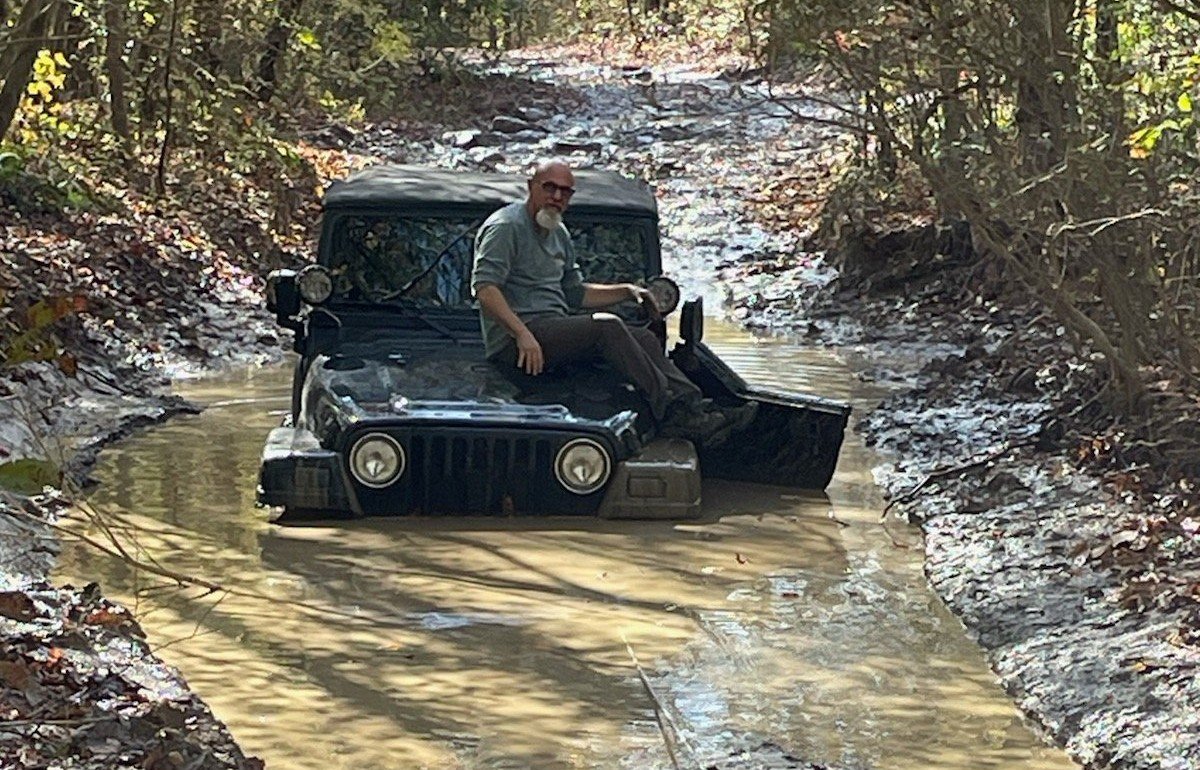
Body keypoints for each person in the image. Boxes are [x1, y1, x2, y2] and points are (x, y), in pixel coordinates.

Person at [470, 160, 756, 445]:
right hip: (515, 340)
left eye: (565, 191)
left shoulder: (558, 233)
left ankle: (693, 407)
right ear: (531, 187)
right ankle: (670, 411)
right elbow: (485, 289)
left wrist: (628, 291)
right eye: (549, 188)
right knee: (607, 326)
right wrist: (522, 334)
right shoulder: (507, 226)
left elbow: (575, 294)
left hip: (551, 328)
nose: (557, 196)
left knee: (644, 337)